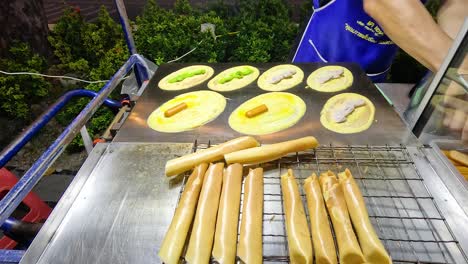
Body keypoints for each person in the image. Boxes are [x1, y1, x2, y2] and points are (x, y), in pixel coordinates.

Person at [293, 0, 468, 82]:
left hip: (374, 72)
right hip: (316, 61)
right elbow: (381, 3)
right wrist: (458, 69)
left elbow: (457, 5)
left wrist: (457, 59)